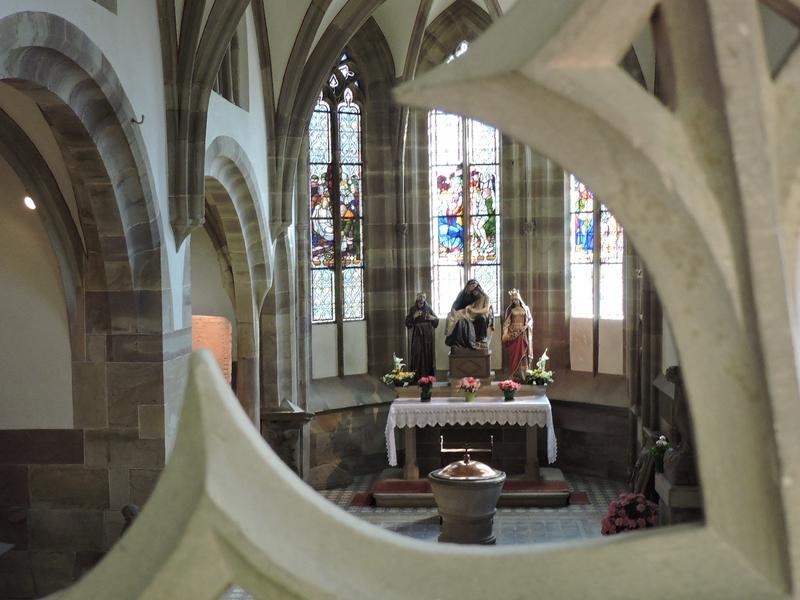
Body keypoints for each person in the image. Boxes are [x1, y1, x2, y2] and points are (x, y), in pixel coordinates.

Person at [444, 279, 493, 349]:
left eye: (474, 288)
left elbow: (486, 309)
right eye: (472, 286)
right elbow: (462, 304)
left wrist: (473, 311)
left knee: (480, 319)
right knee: (453, 317)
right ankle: (451, 337)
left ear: (478, 289)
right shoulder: (464, 295)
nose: (473, 292)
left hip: (475, 314)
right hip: (468, 313)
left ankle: (480, 340)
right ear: (468, 286)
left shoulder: (485, 297)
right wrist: (466, 308)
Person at [502, 288, 533, 382]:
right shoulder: (510, 310)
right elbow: (506, 323)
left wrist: (526, 326)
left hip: (522, 335)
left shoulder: (526, 308)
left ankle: (524, 376)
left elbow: (530, 320)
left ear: (519, 298)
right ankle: (514, 375)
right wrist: (505, 334)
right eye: (513, 300)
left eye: (516, 299)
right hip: (513, 335)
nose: (515, 301)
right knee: (514, 356)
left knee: (523, 354)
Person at [405, 293, 439, 377]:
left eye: (423, 297)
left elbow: (436, 320)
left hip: (427, 334)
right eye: (420, 296)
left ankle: (427, 376)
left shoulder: (428, 308)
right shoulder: (413, 309)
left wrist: (432, 318)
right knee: (417, 352)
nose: (421, 298)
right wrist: (414, 316)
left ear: (425, 298)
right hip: (417, 333)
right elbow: (407, 322)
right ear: (417, 297)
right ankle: (416, 375)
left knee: (427, 353)